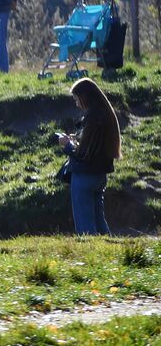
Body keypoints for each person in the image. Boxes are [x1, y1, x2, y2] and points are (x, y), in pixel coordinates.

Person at [56, 77, 122, 235]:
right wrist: (77, 139)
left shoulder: (92, 117)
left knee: (86, 228)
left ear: (84, 97)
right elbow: (92, 147)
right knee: (100, 224)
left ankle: (88, 256)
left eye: (77, 99)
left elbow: (83, 155)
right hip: (100, 176)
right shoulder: (106, 115)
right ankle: (108, 253)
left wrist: (67, 144)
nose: (76, 103)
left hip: (84, 177)